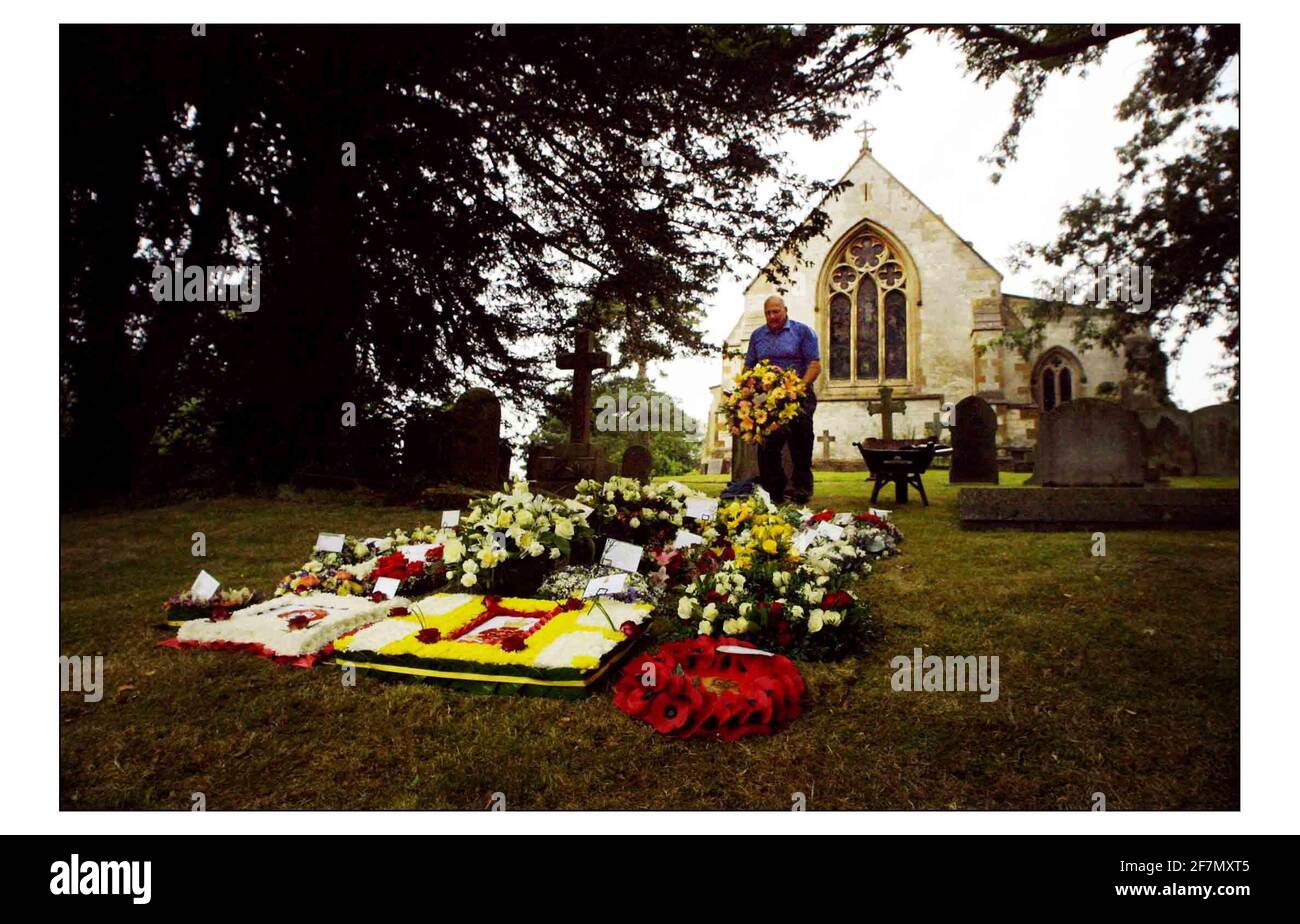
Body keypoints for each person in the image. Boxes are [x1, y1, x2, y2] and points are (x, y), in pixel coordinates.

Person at [743, 295, 822, 504]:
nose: (772, 316)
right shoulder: (757, 335)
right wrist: (746, 392)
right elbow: (748, 368)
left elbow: (814, 366)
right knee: (767, 446)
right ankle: (774, 491)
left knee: (801, 443)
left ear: (785, 310)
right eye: (768, 313)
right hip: (769, 400)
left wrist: (796, 389)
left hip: (800, 396)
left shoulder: (803, 332)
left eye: (775, 312)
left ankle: (801, 489)